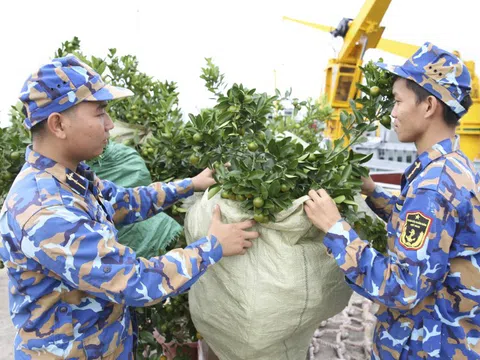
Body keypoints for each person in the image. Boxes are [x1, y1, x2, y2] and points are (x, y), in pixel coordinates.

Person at [0, 55, 259, 359]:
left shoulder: (71, 178)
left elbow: (124, 202)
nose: (110, 125)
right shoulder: (46, 210)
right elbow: (134, 281)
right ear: (58, 124)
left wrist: (190, 184)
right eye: (100, 113)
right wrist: (212, 246)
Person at [305, 42, 480, 359]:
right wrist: (373, 192)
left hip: (426, 347)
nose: (393, 112)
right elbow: (433, 236)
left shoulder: (433, 186)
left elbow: (402, 287)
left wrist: (336, 228)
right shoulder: (456, 166)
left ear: (428, 106)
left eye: (398, 101)